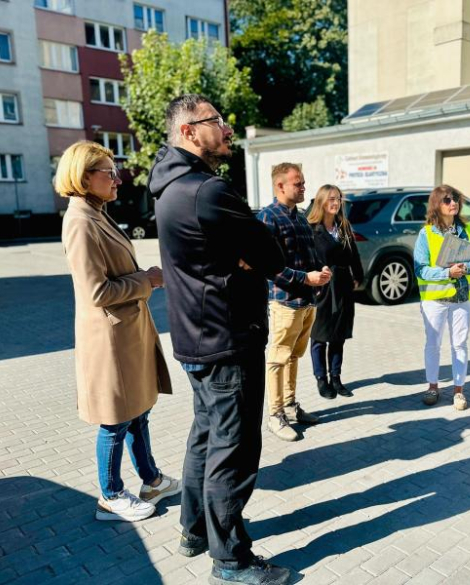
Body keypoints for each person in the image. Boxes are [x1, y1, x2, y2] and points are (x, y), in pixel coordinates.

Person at [150, 95, 290, 584]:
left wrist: (243, 257)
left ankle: (193, 532)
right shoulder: (207, 190)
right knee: (232, 450)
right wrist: (249, 259)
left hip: (195, 338)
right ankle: (230, 559)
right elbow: (269, 250)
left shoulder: (168, 188)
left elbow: (239, 253)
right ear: (189, 131)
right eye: (218, 122)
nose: (227, 130)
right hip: (226, 338)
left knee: (205, 438)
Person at [57, 140, 179, 523]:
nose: (117, 179)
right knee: (114, 420)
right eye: (109, 172)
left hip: (126, 333)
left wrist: (142, 281)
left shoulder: (96, 212)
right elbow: (96, 291)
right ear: (84, 176)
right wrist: (147, 280)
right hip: (108, 339)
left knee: (137, 411)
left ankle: (152, 479)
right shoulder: (79, 221)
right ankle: (110, 496)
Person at [257, 163, 331, 441]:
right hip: (284, 302)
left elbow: (309, 258)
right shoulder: (268, 217)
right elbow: (267, 266)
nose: (303, 187)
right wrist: (305, 278)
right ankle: (274, 415)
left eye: (303, 183)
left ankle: (289, 406)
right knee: (277, 358)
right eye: (298, 183)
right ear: (280, 186)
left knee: (294, 357)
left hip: (307, 301)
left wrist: (321, 273)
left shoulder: (300, 217)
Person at [414, 185, 470, 411]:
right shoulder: (426, 233)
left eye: (455, 199)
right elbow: (420, 269)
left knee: (460, 344)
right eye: (447, 200)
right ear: (437, 205)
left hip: (462, 297)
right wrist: (446, 273)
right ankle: (433, 387)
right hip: (435, 300)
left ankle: (459, 391)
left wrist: (467, 267)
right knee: (433, 345)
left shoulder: (468, 229)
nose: (453, 203)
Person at [306, 184, 365, 399]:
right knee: (320, 336)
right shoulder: (311, 228)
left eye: (338, 199)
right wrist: (312, 281)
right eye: (331, 198)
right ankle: (322, 379)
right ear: (321, 201)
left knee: (338, 336)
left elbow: (354, 255)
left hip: (343, 286)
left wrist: (358, 276)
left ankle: (336, 378)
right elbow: (306, 260)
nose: (336, 202)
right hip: (321, 287)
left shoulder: (344, 227)